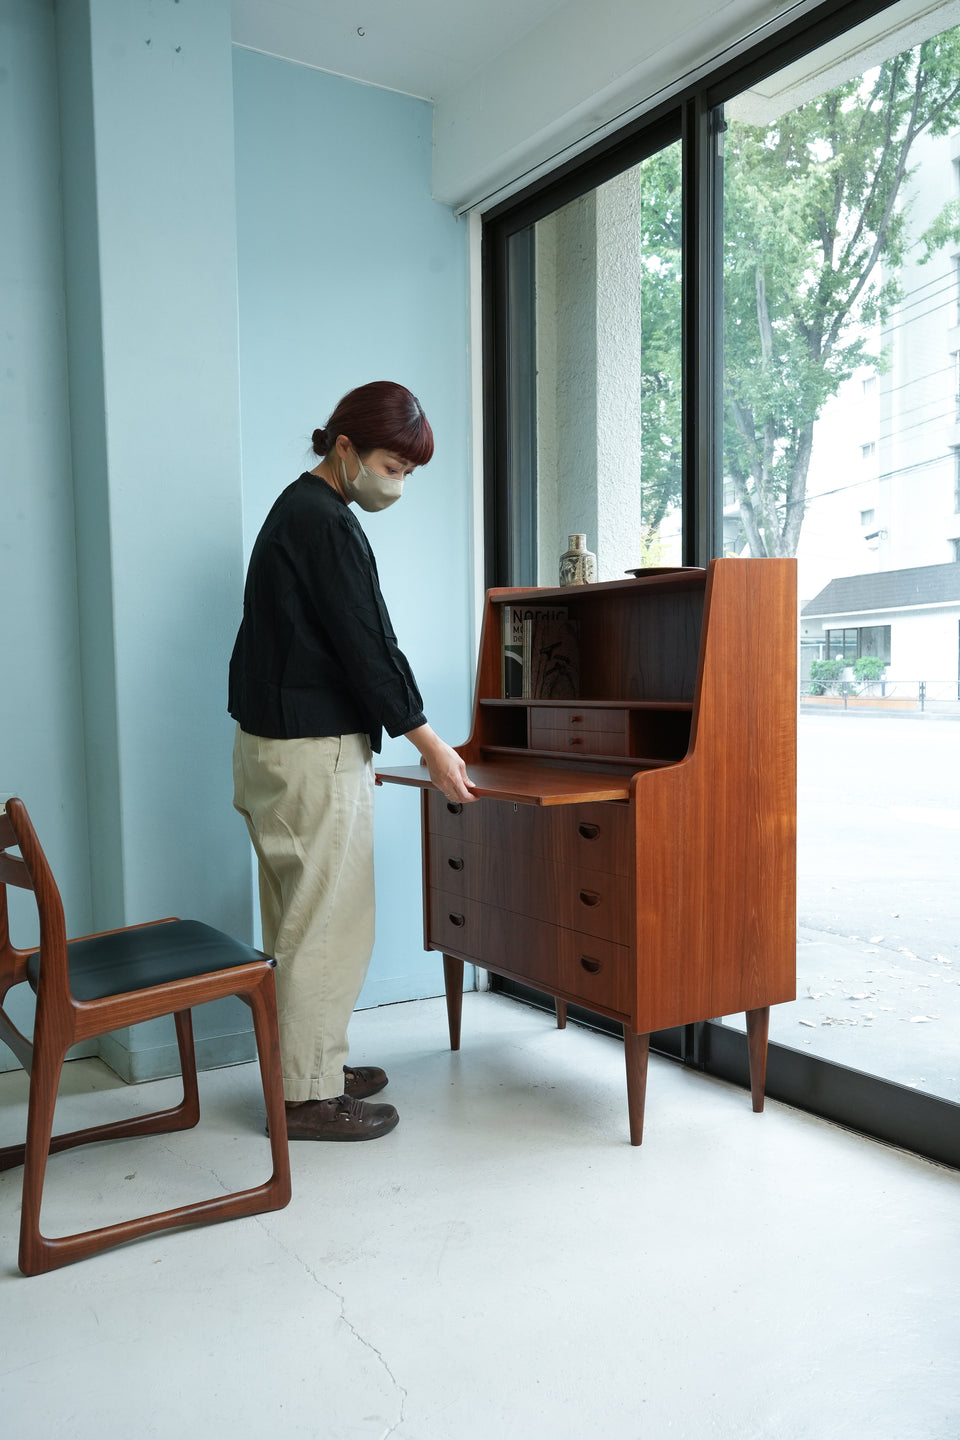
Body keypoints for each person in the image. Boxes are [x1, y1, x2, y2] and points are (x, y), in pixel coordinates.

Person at [229, 380, 476, 1142]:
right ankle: (308, 1097)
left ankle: (311, 1067)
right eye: (393, 468)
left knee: (297, 922)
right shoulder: (325, 522)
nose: (397, 484)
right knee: (329, 927)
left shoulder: (293, 510)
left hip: (272, 749)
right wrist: (429, 743)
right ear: (345, 448)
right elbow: (369, 645)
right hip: (310, 754)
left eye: (408, 473)